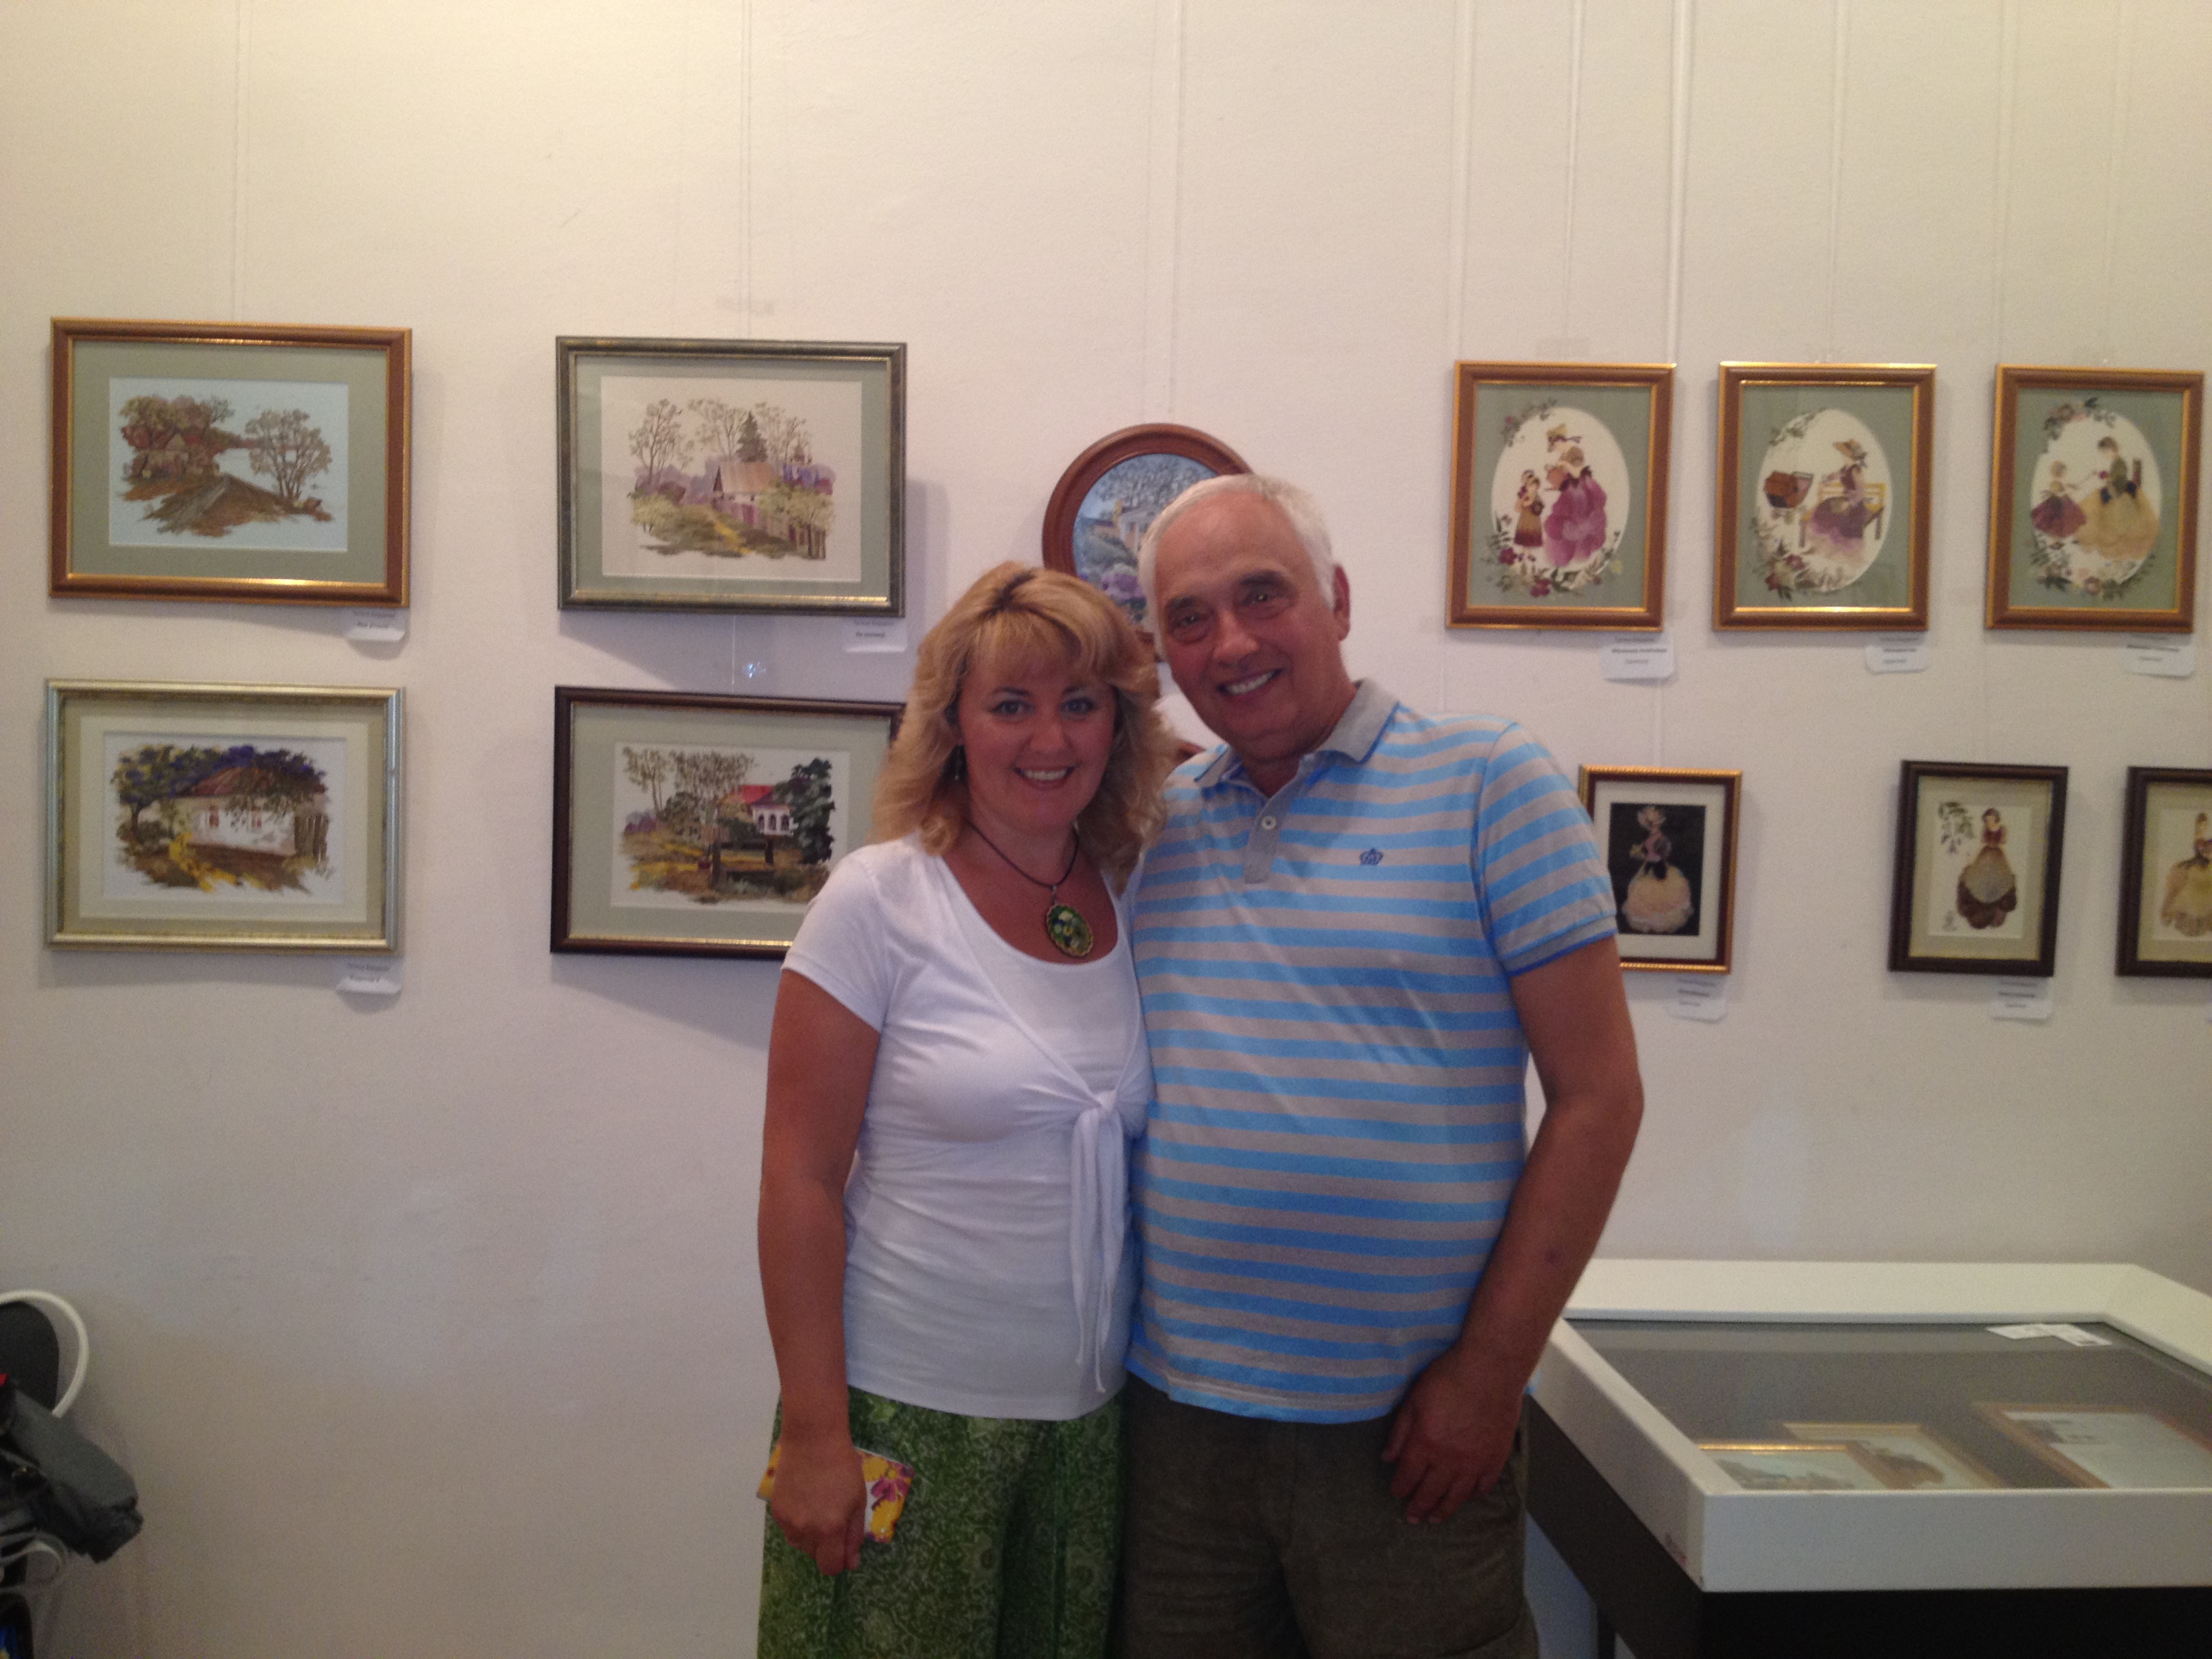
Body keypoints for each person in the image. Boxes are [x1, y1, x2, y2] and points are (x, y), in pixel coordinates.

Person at [1122, 474, 1643, 1659]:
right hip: (1178, 1427)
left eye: (1263, 594)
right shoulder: (1160, 825)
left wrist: (1490, 1377)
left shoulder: (1489, 780)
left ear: (1339, 600)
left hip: (1410, 1426)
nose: (1231, 642)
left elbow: (1601, 1099)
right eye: (1190, 618)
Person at [754, 562, 1180, 1659]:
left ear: (1118, 724)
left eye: (1080, 703)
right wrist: (816, 1434)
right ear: (952, 726)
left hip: (1088, 1428)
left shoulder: (1132, 889)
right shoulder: (880, 898)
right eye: (1011, 705)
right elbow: (800, 1180)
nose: (1050, 738)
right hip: (904, 1413)